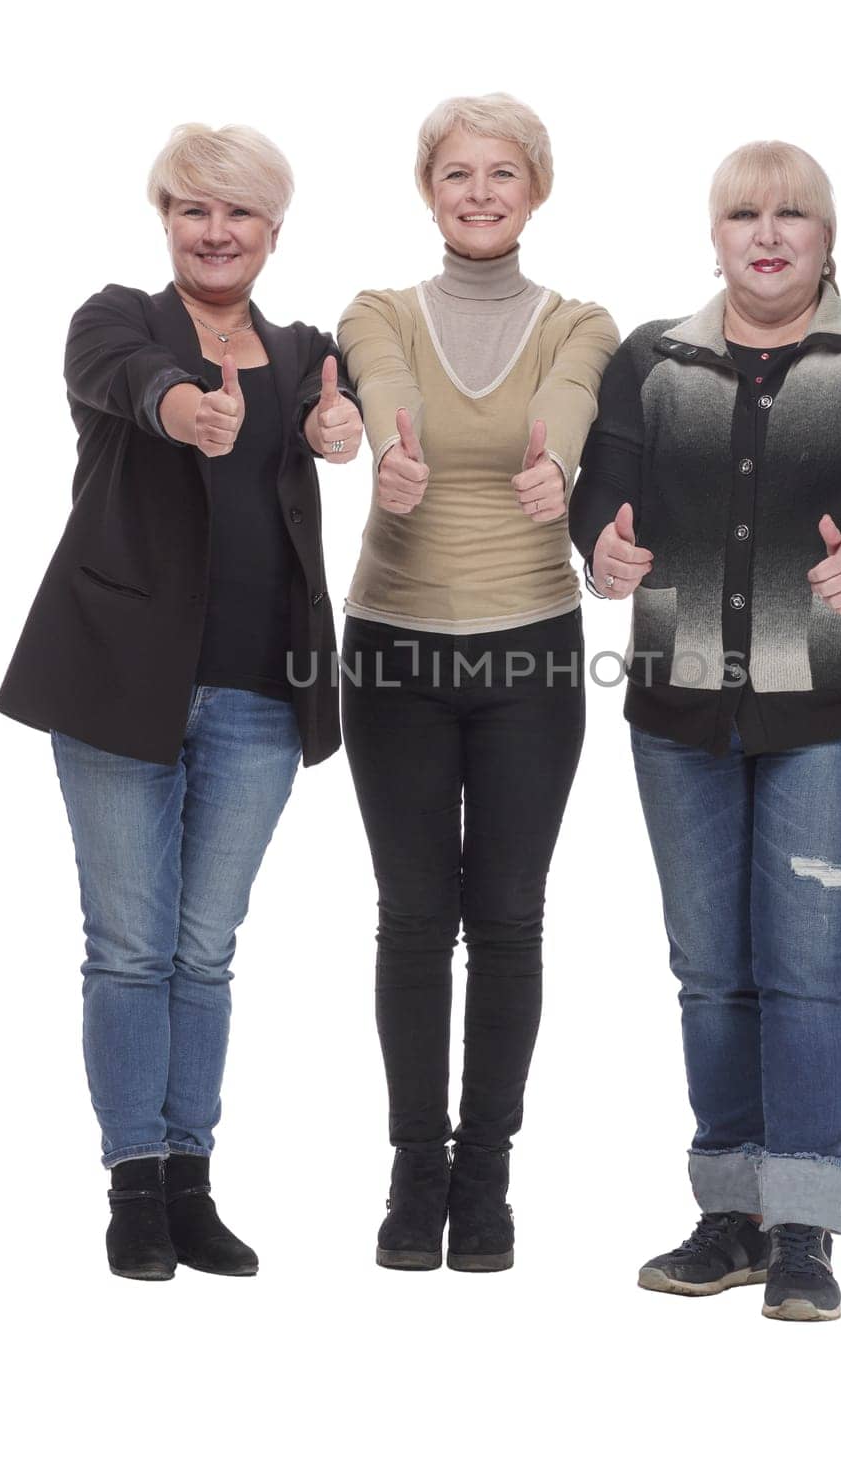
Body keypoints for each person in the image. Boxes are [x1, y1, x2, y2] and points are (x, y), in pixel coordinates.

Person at [569, 140, 841, 1322]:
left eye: (790, 211)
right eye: (742, 211)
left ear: (825, 236)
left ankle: (802, 1231)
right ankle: (725, 1216)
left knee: (806, 971)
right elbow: (603, 489)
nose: (766, 230)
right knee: (708, 973)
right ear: (714, 234)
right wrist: (603, 545)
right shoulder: (653, 356)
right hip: (678, 710)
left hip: (836, 711)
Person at [0, 123, 362, 1280]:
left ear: (271, 232)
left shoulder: (306, 352)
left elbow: (333, 421)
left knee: (204, 950)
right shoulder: (119, 320)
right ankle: (133, 1187)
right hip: (114, 681)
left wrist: (333, 428)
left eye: (239, 213)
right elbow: (116, 378)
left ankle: (192, 1179)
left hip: (259, 690)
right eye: (194, 210)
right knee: (128, 945)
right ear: (166, 218)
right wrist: (175, 407)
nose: (216, 231)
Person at [338, 93, 618, 1272]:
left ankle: (485, 1177)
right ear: (428, 189)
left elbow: (570, 401)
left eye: (502, 172)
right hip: (393, 645)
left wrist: (551, 466)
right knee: (414, 918)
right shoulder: (376, 309)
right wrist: (392, 458)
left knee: (506, 918)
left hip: (531, 650)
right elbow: (380, 383)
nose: (480, 191)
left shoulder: (580, 320)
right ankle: (415, 1173)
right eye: (457, 173)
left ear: (534, 188)